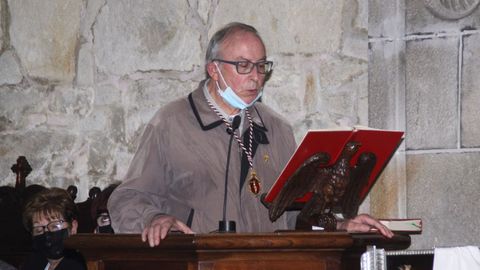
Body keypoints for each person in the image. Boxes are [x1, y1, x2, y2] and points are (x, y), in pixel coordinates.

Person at [107, 22, 393, 247]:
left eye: (261, 66)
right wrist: (155, 218)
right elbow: (126, 199)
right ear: (214, 70)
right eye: (243, 66)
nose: (255, 76)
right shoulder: (172, 123)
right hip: (201, 261)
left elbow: (293, 212)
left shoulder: (276, 129)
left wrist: (339, 225)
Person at [21, 187, 86, 270]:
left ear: (73, 227)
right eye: (38, 230)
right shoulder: (32, 262)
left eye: (54, 226)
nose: (47, 234)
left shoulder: (80, 265)